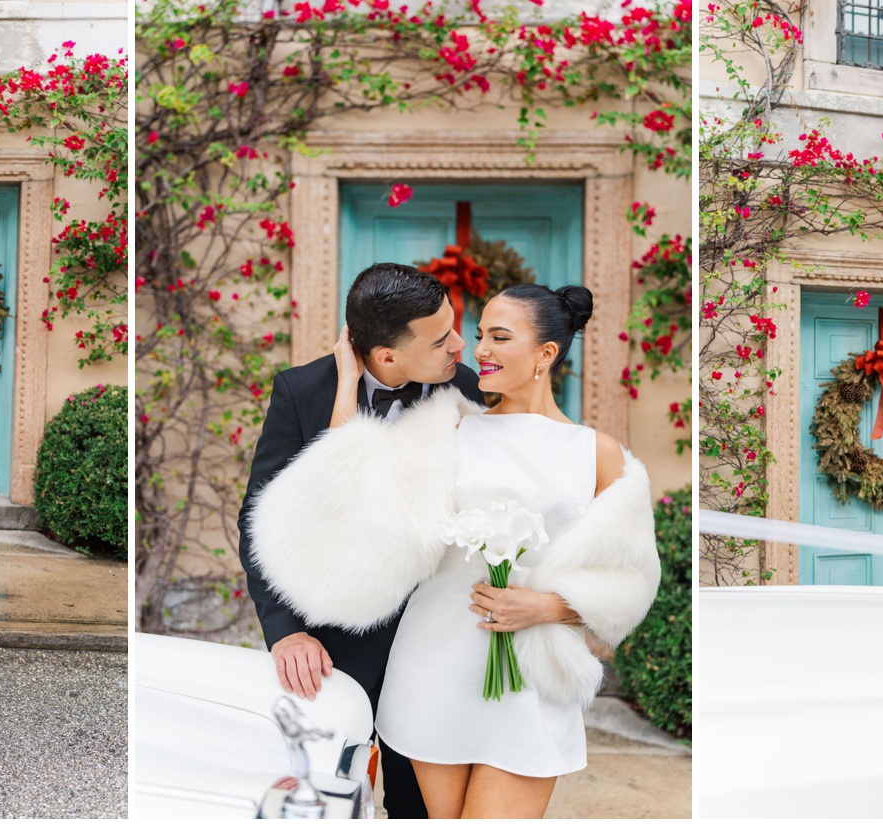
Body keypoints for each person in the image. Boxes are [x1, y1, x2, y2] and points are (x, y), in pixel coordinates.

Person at [248, 283, 661, 819]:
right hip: (430, 670)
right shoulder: (447, 426)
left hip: (528, 683)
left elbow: (630, 578)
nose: (478, 348)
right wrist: (348, 384)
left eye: (499, 336)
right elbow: (346, 511)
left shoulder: (597, 453)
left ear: (546, 354)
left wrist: (549, 607)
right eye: (481, 333)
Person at [238, 262, 481, 819]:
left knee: (420, 798)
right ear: (387, 356)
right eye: (442, 338)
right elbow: (259, 518)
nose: (460, 345)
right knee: (327, 790)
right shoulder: (303, 391)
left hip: (435, 635)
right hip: (337, 642)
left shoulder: (464, 388)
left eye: (454, 326)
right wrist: (286, 632)